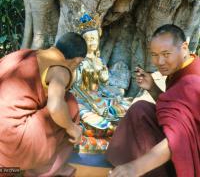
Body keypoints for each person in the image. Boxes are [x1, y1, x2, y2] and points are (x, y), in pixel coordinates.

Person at [106, 24, 200, 177]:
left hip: (189, 153)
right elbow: (175, 110)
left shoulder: (192, 81)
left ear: (184, 47)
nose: (160, 61)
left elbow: (178, 137)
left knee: (140, 112)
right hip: (183, 143)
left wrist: (135, 168)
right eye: (154, 55)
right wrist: (153, 89)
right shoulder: (185, 67)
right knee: (141, 109)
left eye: (166, 54)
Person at [0, 32, 87, 176]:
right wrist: (73, 129)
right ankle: (45, 171)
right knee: (69, 103)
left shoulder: (23, 54)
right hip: (10, 144)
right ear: (77, 61)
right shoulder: (61, 68)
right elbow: (55, 106)